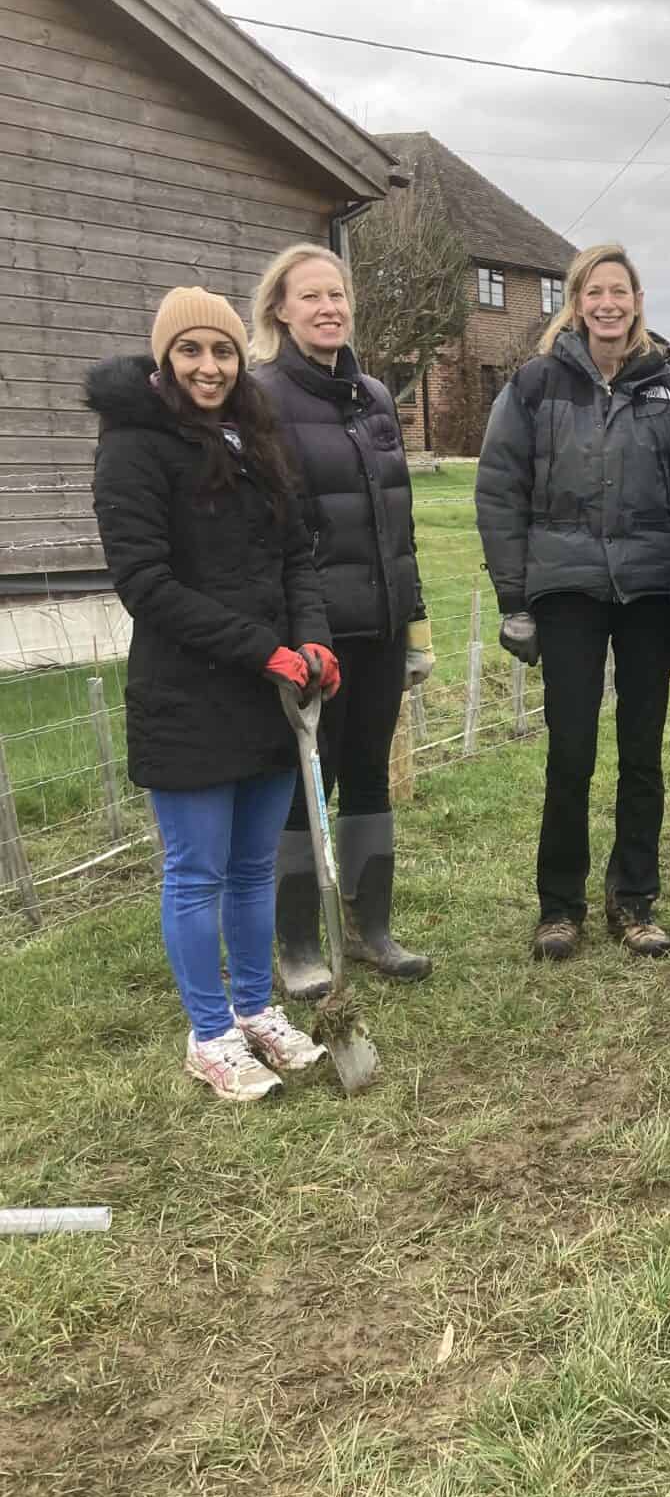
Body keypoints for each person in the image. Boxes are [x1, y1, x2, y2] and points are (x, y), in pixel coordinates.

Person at [88, 287, 338, 1102]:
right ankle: (210, 1033)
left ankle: (256, 1007)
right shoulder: (133, 446)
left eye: (223, 351)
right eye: (191, 351)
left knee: (252, 867)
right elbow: (145, 584)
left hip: (268, 690)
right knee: (197, 871)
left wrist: (310, 640)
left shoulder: (257, 437)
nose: (209, 366)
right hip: (188, 693)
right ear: (165, 359)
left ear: (241, 357)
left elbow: (296, 554)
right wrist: (261, 649)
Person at [476, 243, 670, 960]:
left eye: (621, 292)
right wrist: (515, 597)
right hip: (567, 591)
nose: (608, 304)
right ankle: (560, 906)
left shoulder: (669, 392)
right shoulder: (537, 386)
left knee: (641, 754)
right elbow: (499, 489)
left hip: (648, 594)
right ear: (576, 304)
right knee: (570, 751)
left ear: (637, 302)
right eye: (594, 292)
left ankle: (634, 899)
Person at [248, 243, 431, 997]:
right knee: (303, 787)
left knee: (368, 777)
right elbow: (273, 530)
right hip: (317, 632)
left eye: (338, 295)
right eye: (311, 297)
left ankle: (372, 929)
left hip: (381, 624)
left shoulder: (376, 397)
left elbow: (399, 520)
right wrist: (300, 632)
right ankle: (296, 943)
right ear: (281, 311)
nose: (329, 308)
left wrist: (413, 624)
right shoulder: (262, 398)